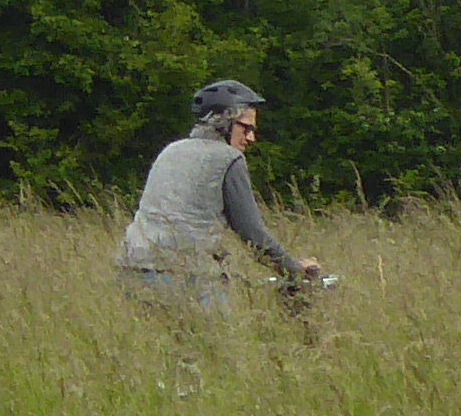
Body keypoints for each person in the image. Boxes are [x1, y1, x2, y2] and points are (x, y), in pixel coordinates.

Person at [115, 79, 335, 318]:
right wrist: (294, 269)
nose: (251, 138)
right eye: (245, 128)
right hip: (187, 275)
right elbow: (251, 232)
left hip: (131, 270)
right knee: (216, 350)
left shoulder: (171, 150)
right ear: (224, 122)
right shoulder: (228, 158)